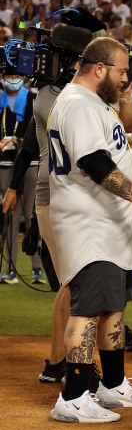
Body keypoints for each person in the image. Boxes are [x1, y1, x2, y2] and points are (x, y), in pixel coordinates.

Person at [47, 37, 132, 423]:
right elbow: (95, 162)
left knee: (114, 306)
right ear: (99, 69)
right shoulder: (78, 104)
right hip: (89, 224)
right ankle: (74, 394)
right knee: (89, 311)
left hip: (108, 223)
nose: (126, 79)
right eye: (121, 71)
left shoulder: (94, 103)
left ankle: (112, 385)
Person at [0, 74, 37, 284]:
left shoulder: (33, 98)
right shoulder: (1, 100)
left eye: (16, 75)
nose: (12, 79)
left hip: (31, 161)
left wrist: (17, 139)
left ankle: (37, 268)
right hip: (5, 161)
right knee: (9, 216)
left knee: (32, 213)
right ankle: (10, 268)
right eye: (9, 75)